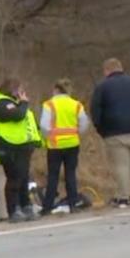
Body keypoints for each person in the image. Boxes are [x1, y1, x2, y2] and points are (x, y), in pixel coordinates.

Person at [89, 58, 130, 209]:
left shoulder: (102, 87)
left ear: (107, 70)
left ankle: (123, 198)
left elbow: (95, 110)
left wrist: (101, 129)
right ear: (121, 68)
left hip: (114, 131)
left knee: (121, 165)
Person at [0, 79, 42, 222]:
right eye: (19, 90)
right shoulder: (1, 103)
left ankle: (25, 205)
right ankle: (14, 209)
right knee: (14, 178)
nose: (21, 93)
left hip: (20, 145)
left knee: (24, 177)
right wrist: (24, 103)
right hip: (7, 146)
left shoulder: (14, 103)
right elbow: (18, 116)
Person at [39, 78, 90, 215]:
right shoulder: (76, 105)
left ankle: (47, 206)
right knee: (70, 174)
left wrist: (48, 136)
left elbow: (44, 125)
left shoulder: (49, 105)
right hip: (72, 144)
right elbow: (84, 123)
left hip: (55, 145)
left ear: (56, 90)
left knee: (53, 176)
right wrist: (77, 133)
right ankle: (73, 204)